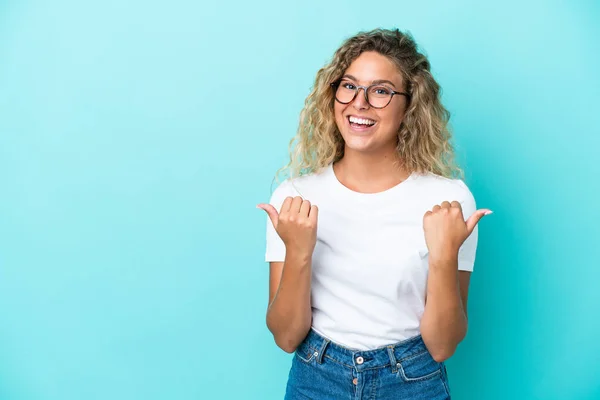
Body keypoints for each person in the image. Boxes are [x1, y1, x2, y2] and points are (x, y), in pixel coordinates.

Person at [256, 28, 492, 400]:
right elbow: (286, 337)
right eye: (349, 86)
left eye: (380, 91)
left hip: (414, 382)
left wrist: (444, 257)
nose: (359, 103)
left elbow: (443, 346)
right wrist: (299, 252)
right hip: (316, 379)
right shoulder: (295, 197)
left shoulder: (448, 200)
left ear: (410, 105)